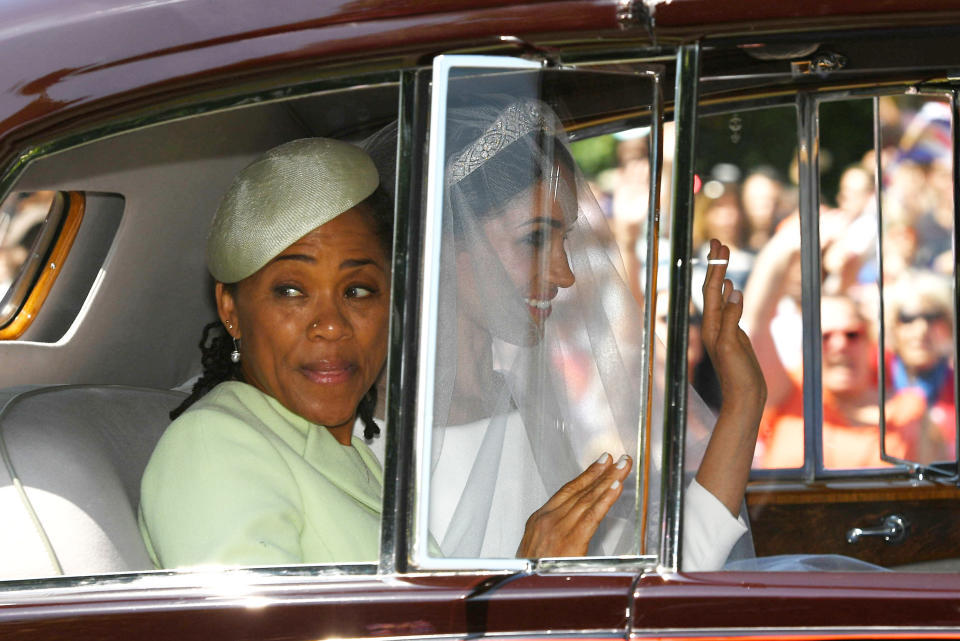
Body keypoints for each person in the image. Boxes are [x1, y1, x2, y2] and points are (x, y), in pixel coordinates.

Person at [402, 97, 766, 568]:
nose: (565, 273)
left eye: (564, 239)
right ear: (448, 237)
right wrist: (532, 574)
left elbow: (652, 574)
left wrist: (745, 397)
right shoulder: (382, 430)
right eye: (535, 238)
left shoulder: (520, 402)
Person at [138, 138, 393, 567]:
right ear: (230, 309)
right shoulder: (211, 447)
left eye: (357, 290)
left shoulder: (350, 451)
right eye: (291, 291)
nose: (331, 324)